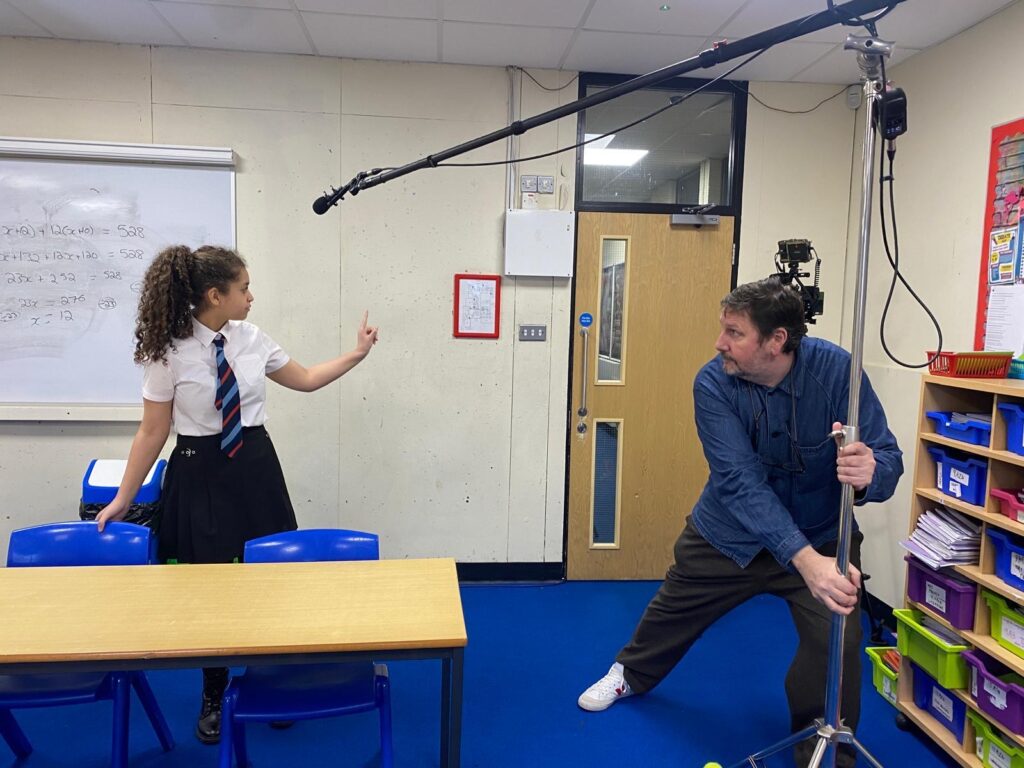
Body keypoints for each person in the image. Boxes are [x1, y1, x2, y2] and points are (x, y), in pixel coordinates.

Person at [577, 276, 903, 768]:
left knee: (838, 641)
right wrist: (805, 562)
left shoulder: (837, 371)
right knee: (672, 612)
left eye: (734, 332)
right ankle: (630, 673)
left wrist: (870, 473)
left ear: (777, 341)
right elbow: (739, 483)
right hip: (729, 535)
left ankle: (820, 749)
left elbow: (888, 457)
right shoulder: (712, 383)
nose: (719, 343)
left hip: (821, 533)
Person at [96, 244, 378, 745]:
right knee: (212, 589)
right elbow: (152, 431)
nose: (251, 297)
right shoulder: (168, 351)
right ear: (214, 294)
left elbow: (306, 379)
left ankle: (272, 674)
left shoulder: (251, 338)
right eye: (243, 288)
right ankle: (214, 690)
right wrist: (124, 496)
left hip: (254, 465)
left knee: (270, 575)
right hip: (198, 472)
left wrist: (356, 354)